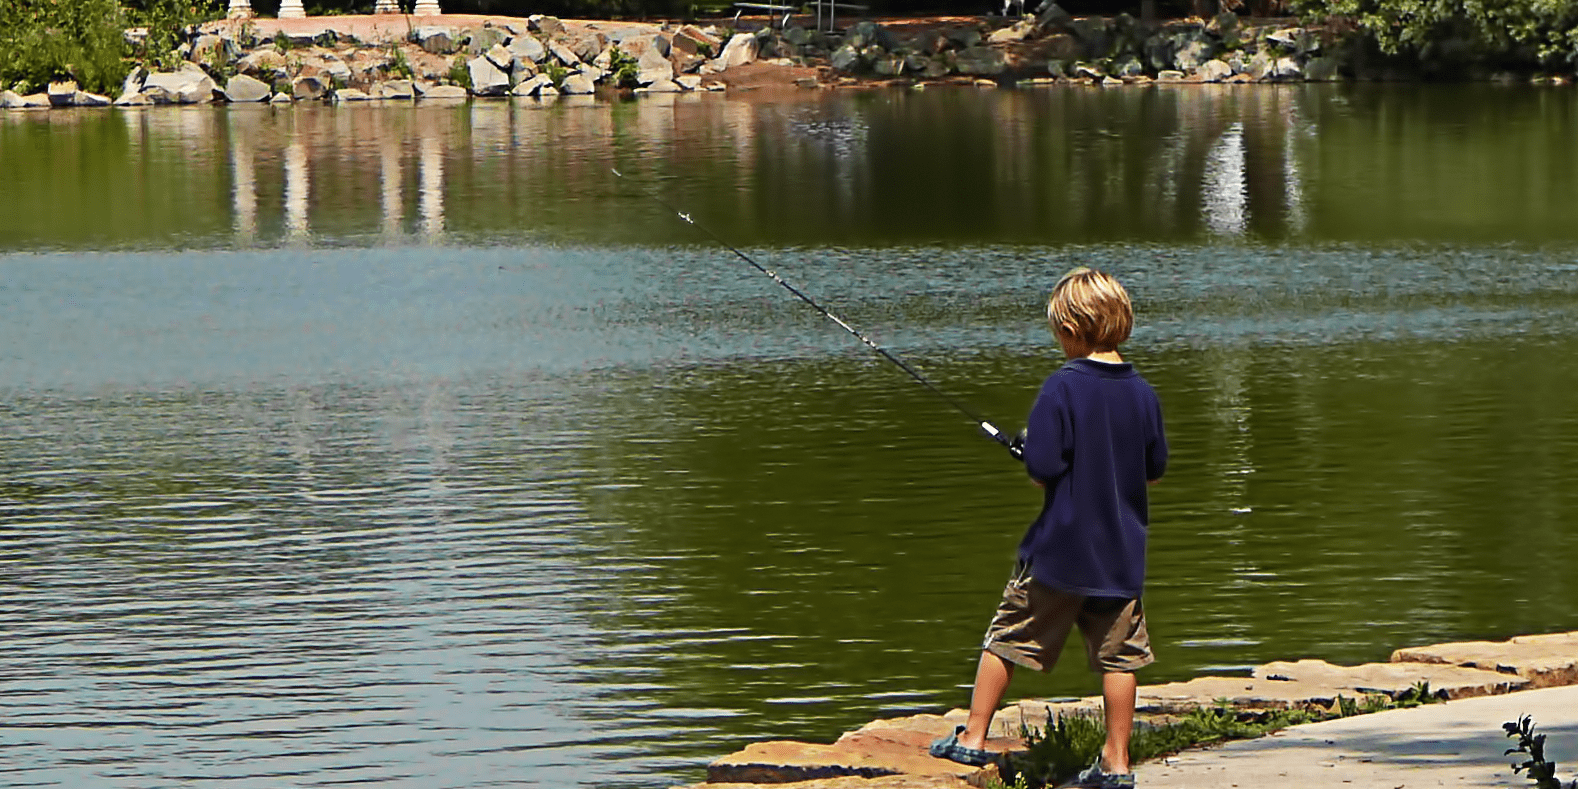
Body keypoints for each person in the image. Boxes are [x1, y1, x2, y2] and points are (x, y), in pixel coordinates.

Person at [928, 267, 1168, 789]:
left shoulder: (1062, 386)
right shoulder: (1143, 393)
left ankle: (971, 738)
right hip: (1121, 557)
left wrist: (1034, 451)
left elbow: (1042, 466)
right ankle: (1118, 763)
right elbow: (1154, 467)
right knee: (1120, 659)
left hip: (1060, 553)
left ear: (1073, 330)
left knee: (1006, 638)